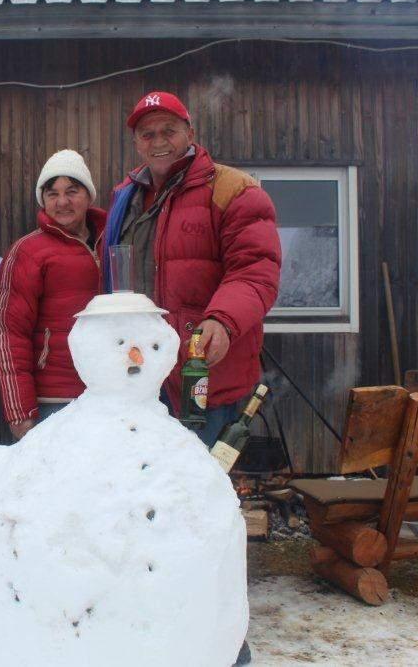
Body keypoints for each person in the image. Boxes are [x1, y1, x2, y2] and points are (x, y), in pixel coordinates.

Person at [105, 92, 280, 666]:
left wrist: (223, 318)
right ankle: (161, 632)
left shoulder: (234, 191)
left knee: (203, 513)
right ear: (137, 141)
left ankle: (222, 644)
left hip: (210, 381)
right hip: (145, 385)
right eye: (146, 132)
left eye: (167, 129)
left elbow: (256, 268)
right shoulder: (127, 199)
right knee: (149, 508)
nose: (158, 140)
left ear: (189, 130)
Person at [0, 150, 106, 439]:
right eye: (52, 193)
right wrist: (19, 410)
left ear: (89, 195)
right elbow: (9, 333)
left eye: (72, 191)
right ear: (42, 199)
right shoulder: (27, 252)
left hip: (109, 395)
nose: (62, 202)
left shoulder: (113, 243)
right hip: (53, 401)